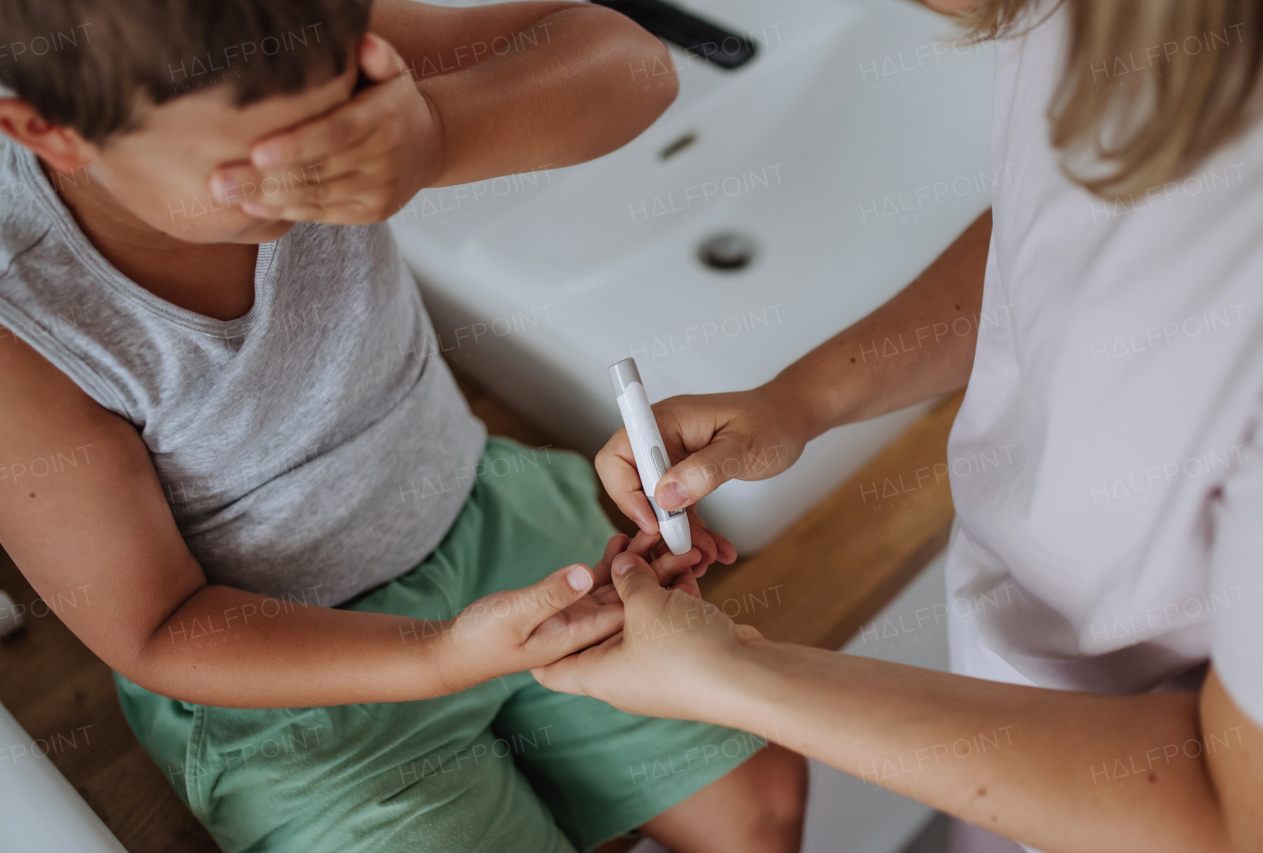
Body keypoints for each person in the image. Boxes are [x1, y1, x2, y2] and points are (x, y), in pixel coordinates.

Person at [0, 2, 807, 851]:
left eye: (340, 111)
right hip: (280, 669)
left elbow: (635, 62)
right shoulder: (13, 325)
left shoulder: (293, 33)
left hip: (481, 507)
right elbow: (156, 628)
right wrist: (438, 656)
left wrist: (439, 134)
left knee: (761, 803)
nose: (319, 170)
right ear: (51, 131)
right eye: (251, 165)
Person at [541, 0, 1263, 851]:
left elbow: (1227, 814)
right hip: (1012, 730)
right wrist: (799, 400)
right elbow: (1054, 229)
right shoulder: (1106, 26)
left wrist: (731, 676)